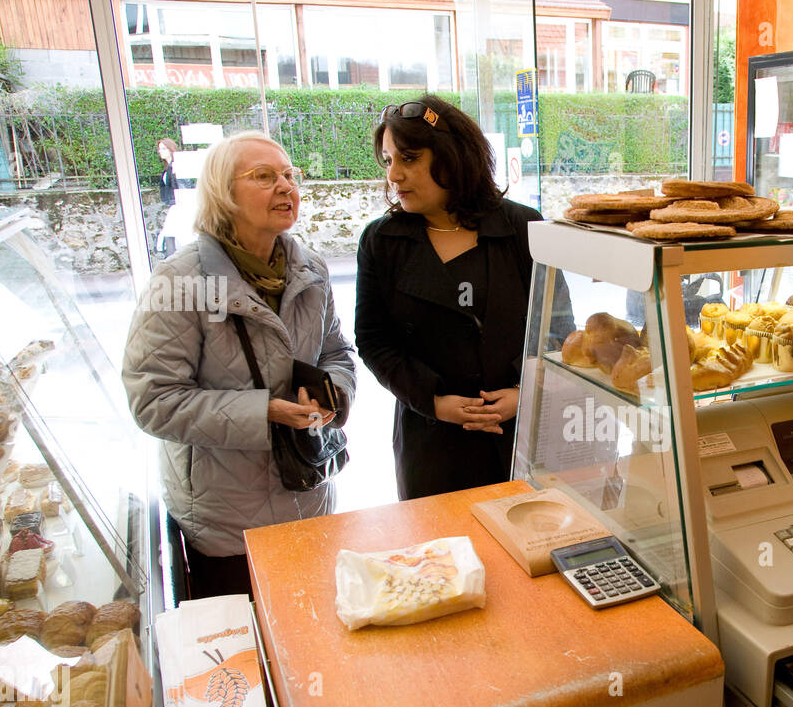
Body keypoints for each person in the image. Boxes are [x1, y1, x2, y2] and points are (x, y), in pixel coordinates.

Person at [123, 130, 356, 600]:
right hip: (227, 524)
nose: (286, 187)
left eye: (290, 175)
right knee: (242, 660)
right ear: (222, 194)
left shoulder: (310, 268)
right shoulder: (180, 280)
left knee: (311, 635)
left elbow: (337, 351)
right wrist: (266, 411)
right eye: (264, 177)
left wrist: (335, 391)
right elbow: (153, 401)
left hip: (309, 494)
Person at [355, 95, 573, 501]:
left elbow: (558, 329)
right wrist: (436, 403)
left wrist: (525, 393)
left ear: (452, 156)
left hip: (521, 434)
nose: (394, 176)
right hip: (432, 443)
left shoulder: (524, 227)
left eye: (408, 158)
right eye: (388, 162)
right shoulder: (382, 243)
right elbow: (373, 341)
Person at [157, 138, 179, 255]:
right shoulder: (168, 168)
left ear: (171, 150)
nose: (161, 151)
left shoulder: (176, 166)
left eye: (164, 149)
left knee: (171, 234)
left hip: (178, 205)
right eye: (160, 149)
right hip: (174, 205)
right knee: (170, 235)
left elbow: (181, 185)